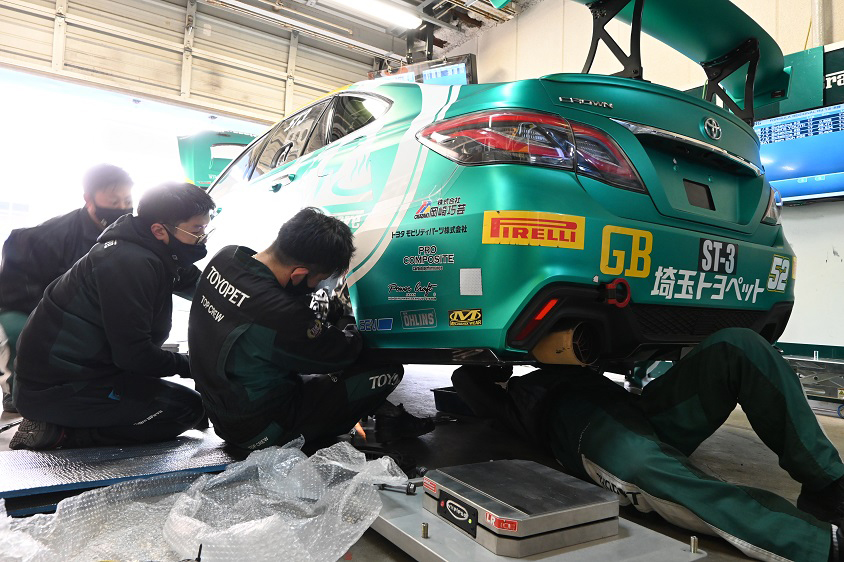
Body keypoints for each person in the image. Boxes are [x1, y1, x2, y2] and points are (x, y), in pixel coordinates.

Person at [452, 328, 844, 562]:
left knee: (739, 346)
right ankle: (818, 544)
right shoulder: (513, 401)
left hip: (640, 411)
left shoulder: (566, 367)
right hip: (586, 431)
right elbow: (464, 381)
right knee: (644, 464)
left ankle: (828, 483)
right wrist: (487, 356)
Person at [188, 207, 434, 451]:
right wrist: (348, 324)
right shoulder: (280, 313)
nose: (318, 286)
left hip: (220, 414)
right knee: (386, 369)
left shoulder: (226, 257)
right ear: (299, 274)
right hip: (261, 430)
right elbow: (341, 353)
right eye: (319, 280)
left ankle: (384, 415)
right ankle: (374, 423)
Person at [9, 182, 215, 450]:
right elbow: (134, 356)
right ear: (159, 230)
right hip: (57, 388)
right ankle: (58, 432)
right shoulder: (130, 263)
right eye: (197, 230)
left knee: (191, 406)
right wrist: (193, 364)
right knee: (184, 410)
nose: (203, 237)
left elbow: (202, 288)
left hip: (86, 373)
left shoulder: (156, 250)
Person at [0, 164, 134, 413]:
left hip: (85, 309)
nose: (122, 208)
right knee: (23, 330)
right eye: (114, 201)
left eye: (127, 201)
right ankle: (18, 389)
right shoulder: (47, 238)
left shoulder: (129, 233)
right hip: (31, 306)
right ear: (89, 200)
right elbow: (17, 294)